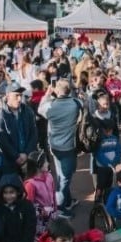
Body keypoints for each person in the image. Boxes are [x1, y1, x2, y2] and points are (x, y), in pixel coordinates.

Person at [37, 79, 81, 217]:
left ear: (57, 90)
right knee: (64, 179)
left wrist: (48, 94)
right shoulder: (75, 104)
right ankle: (59, 207)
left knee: (62, 175)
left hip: (55, 146)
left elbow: (40, 109)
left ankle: (66, 201)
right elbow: (88, 105)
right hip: (70, 146)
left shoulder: (50, 105)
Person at [0, 82, 38, 174]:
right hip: (9, 162)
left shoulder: (28, 111)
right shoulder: (0, 116)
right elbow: (2, 141)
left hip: (28, 159)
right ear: (7, 96)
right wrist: (16, 156)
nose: (19, 99)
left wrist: (26, 154)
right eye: (16, 95)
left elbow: (33, 134)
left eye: (21, 95)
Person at [0, 174, 36, 242]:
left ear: (18, 192)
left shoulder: (27, 206)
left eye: (12, 192)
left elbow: (30, 228)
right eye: (5, 192)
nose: (8, 196)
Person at [24, 151, 59, 236]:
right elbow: (29, 206)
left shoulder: (49, 176)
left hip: (52, 215)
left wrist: (55, 209)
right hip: (40, 221)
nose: (48, 163)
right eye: (45, 161)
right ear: (38, 165)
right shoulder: (30, 184)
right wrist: (40, 212)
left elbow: (53, 194)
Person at [93, 118, 121, 202]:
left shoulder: (114, 138)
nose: (109, 133)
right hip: (102, 167)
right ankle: (98, 197)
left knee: (109, 183)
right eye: (106, 131)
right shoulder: (100, 140)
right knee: (101, 184)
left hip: (111, 166)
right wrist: (107, 163)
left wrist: (115, 161)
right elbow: (99, 154)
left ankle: (106, 197)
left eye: (110, 131)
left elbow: (118, 150)